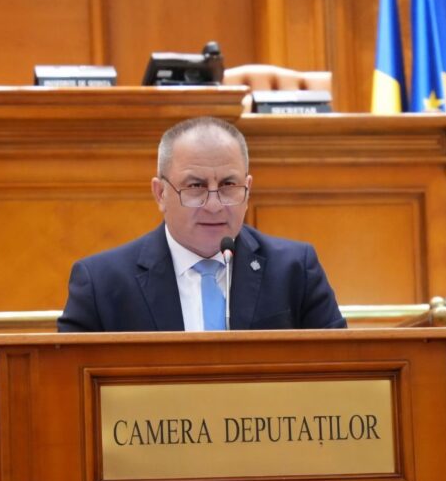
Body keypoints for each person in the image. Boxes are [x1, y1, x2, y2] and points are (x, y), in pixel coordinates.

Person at [58, 116, 346, 332]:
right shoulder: (102, 284)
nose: (214, 205)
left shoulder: (294, 270)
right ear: (160, 193)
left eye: (229, 185)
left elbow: (341, 371)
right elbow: (67, 383)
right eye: (195, 186)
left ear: (248, 190)